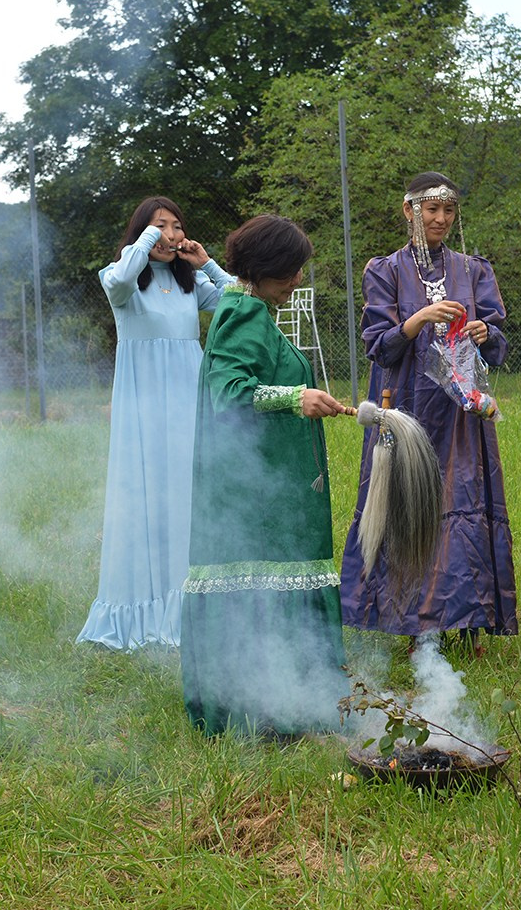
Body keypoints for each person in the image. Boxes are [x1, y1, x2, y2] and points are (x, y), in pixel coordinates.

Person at [181, 215, 353, 737]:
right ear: (265, 270)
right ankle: (270, 709)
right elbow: (228, 391)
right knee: (266, 576)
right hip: (253, 490)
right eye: (292, 270)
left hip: (264, 478)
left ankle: (287, 700)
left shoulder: (248, 305)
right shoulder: (246, 316)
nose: (298, 279)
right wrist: (295, 397)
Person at [340, 172, 518, 650]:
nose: (440, 219)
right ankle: (411, 620)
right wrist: (416, 321)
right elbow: (379, 346)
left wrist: (485, 334)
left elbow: (499, 345)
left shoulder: (475, 270)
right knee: (408, 503)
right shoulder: (385, 271)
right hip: (406, 409)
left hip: (461, 415)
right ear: (409, 210)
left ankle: (467, 618)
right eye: (430, 209)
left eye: (448, 210)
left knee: (461, 504)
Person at [75, 196, 232, 650]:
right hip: (143, 406)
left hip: (188, 398)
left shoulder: (190, 282)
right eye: (160, 226)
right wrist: (150, 236)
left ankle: (189, 602)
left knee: (188, 491)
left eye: (177, 227)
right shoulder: (118, 278)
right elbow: (124, 275)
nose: (171, 235)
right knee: (145, 496)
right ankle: (142, 608)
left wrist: (209, 263)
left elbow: (239, 304)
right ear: (142, 233)